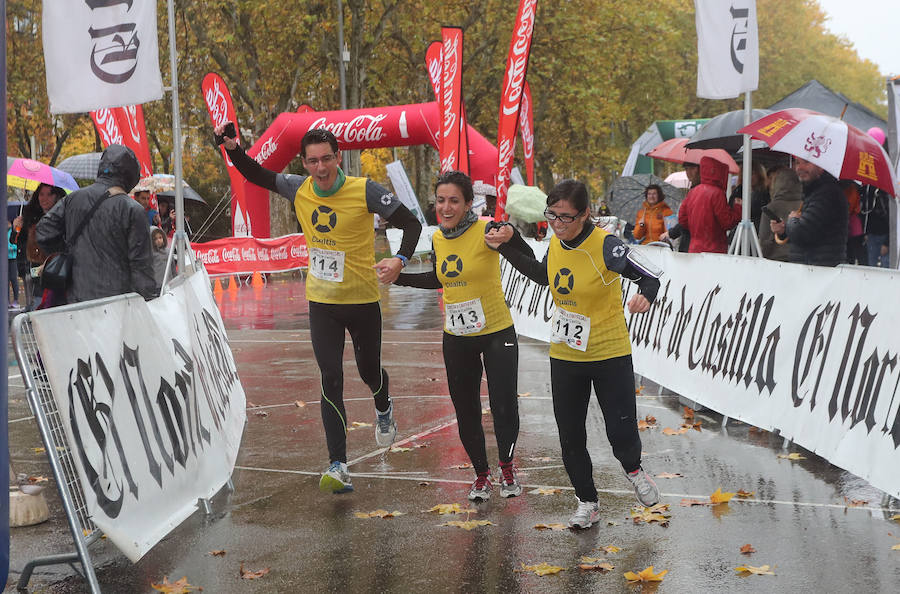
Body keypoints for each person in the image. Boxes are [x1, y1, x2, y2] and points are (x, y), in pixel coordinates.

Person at [215, 122, 422, 494]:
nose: (320, 168)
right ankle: (338, 464)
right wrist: (232, 148)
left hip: (362, 300)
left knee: (368, 372)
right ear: (305, 163)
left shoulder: (364, 190)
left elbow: (410, 223)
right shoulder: (298, 187)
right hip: (322, 302)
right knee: (330, 378)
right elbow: (255, 174)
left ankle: (383, 401)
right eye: (312, 161)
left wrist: (400, 259)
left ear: (338, 157)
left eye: (326, 158)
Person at [490, 179, 662, 529]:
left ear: (585, 214)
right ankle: (587, 501)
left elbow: (649, 276)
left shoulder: (606, 245)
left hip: (609, 352)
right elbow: (543, 275)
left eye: (566, 217)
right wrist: (509, 246)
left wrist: (646, 294)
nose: (557, 224)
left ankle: (633, 469)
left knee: (620, 431)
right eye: (551, 216)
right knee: (570, 435)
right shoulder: (556, 242)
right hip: (567, 355)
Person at [393, 171, 533, 501]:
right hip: (456, 336)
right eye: (440, 200)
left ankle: (507, 467)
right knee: (465, 409)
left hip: (497, 331)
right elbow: (441, 278)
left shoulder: (487, 230)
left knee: (503, 406)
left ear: (469, 203)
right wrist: (400, 278)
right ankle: (481, 475)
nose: (446, 206)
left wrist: (511, 235)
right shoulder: (438, 238)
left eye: (454, 200)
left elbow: (527, 257)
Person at [36, 144, 156, 303]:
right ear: (130, 175)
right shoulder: (133, 210)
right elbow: (141, 267)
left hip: (76, 301)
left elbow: (44, 231)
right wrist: (148, 302)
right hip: (117, 305)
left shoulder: (73, 199)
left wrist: (69, 249)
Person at [768, 156, 847, 267]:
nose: (799, 167)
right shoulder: (815, 192)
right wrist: (783, 231)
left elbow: (802, 233)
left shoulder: (827, 193)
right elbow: (812, 230)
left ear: (821, 166)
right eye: (797, 162)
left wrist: (792, 220)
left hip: (820, 270)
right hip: (813, 267)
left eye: (806, 162)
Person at [14, 183, 66, 310]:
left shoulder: (63, 217)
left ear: (56, 196)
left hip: (56, 273)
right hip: (35, 274)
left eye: (49, 194)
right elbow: (16, 241)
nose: (44, 198)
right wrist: (17, 227)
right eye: (41, 194)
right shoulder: (31, 217)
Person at [677, 156, 741, 254]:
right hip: (714, 249)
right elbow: (727, 222)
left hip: (694, 247)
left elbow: (682, 219)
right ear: (721, 172)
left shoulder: (693, 191)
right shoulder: (718, 193)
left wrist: (697, 229)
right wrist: (738, 208)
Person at [758, 165, 802, 261]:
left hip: (775, 261)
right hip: (800, 261)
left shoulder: (771, 208)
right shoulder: (804, 206)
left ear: (776, 183)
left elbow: (763, 244)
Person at [660, 161, 699, 252]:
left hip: (688, 242)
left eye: (692, 168)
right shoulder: (643, 212)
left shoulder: (696, 192)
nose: (688, 172)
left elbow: (685, 220)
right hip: (684, 240)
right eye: (686, 169)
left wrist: (671, 233)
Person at [150, 226, 173, 292]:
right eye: (155, 239)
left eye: (160, 237)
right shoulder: (150, 254)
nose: (159, 240)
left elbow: (173, 268)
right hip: (157, 286)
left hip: (169, 284)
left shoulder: (168, 251)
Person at [7, 221, 19, 309]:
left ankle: (16, 299)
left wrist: (13, 247)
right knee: (5, 280)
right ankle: (6, 300)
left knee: (14, 279)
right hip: (4, 259)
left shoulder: (14, 230)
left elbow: (16, 242)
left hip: (13, 258)